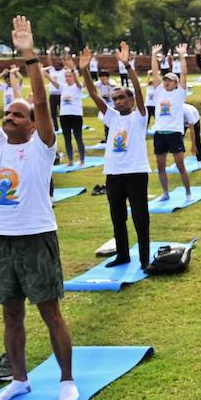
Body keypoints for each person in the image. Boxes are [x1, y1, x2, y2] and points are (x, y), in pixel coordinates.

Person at [0, 12, 79, 400]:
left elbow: (40, 102)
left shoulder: (41, 146)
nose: (9, 117)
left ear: (32, 125)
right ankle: (19, 379)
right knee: (10, 314)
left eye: (17, 114)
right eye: (8, 113)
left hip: (35, 238)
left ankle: (66, 379)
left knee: (50, 312)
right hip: (1, 240)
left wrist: (30, 55)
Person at [80, 44, 150, 270]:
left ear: (129, 100)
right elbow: (92, 93)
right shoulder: (111, 117)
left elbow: (139, 90)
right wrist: (84, 70)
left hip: (136, 172)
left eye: (122, 98)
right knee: (117, 217)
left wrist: (127, 65)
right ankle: (122, 254)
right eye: (115, 99)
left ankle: (144, 257)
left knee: (140, 217)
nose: (118, 101)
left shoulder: (140, 116)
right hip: (113, 173)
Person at [150, 43, 192, 203]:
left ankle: (188, 192)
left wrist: (182, 56)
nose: (166, 82)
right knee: (160, 166)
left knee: (180, 165)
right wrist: (154, 55)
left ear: (176, 83)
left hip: (174, 133)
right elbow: (155, 73)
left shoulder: (179, 94)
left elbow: (184, 73)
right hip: (160, 133)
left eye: (170, 80)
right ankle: (165, 192)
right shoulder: (159, 91)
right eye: (165, 80)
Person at [56, 59, 87, 166]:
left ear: (74, 76)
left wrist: (73, 69)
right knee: (67, 138)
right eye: (66, 76)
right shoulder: (62, 87)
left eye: (70, 76)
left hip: (76, 115)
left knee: (78, 138)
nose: (68, 78)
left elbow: (78, 83)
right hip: (64, 116)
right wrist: (43, 73)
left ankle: (82, 160)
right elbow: (51, 81)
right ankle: (70, 160)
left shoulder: (78, 87)